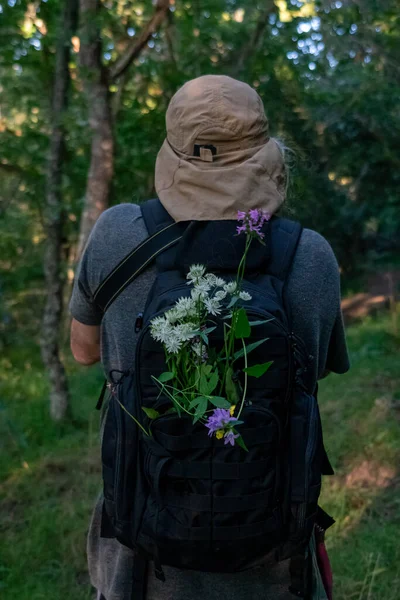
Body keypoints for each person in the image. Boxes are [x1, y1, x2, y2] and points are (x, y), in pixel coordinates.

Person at [70, 75, 350, 600]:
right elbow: (316, 370)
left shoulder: (115, 233)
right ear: (266, 157)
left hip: (139, 564)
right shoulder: (308, 254)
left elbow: (84, 351)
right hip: (273, 561)